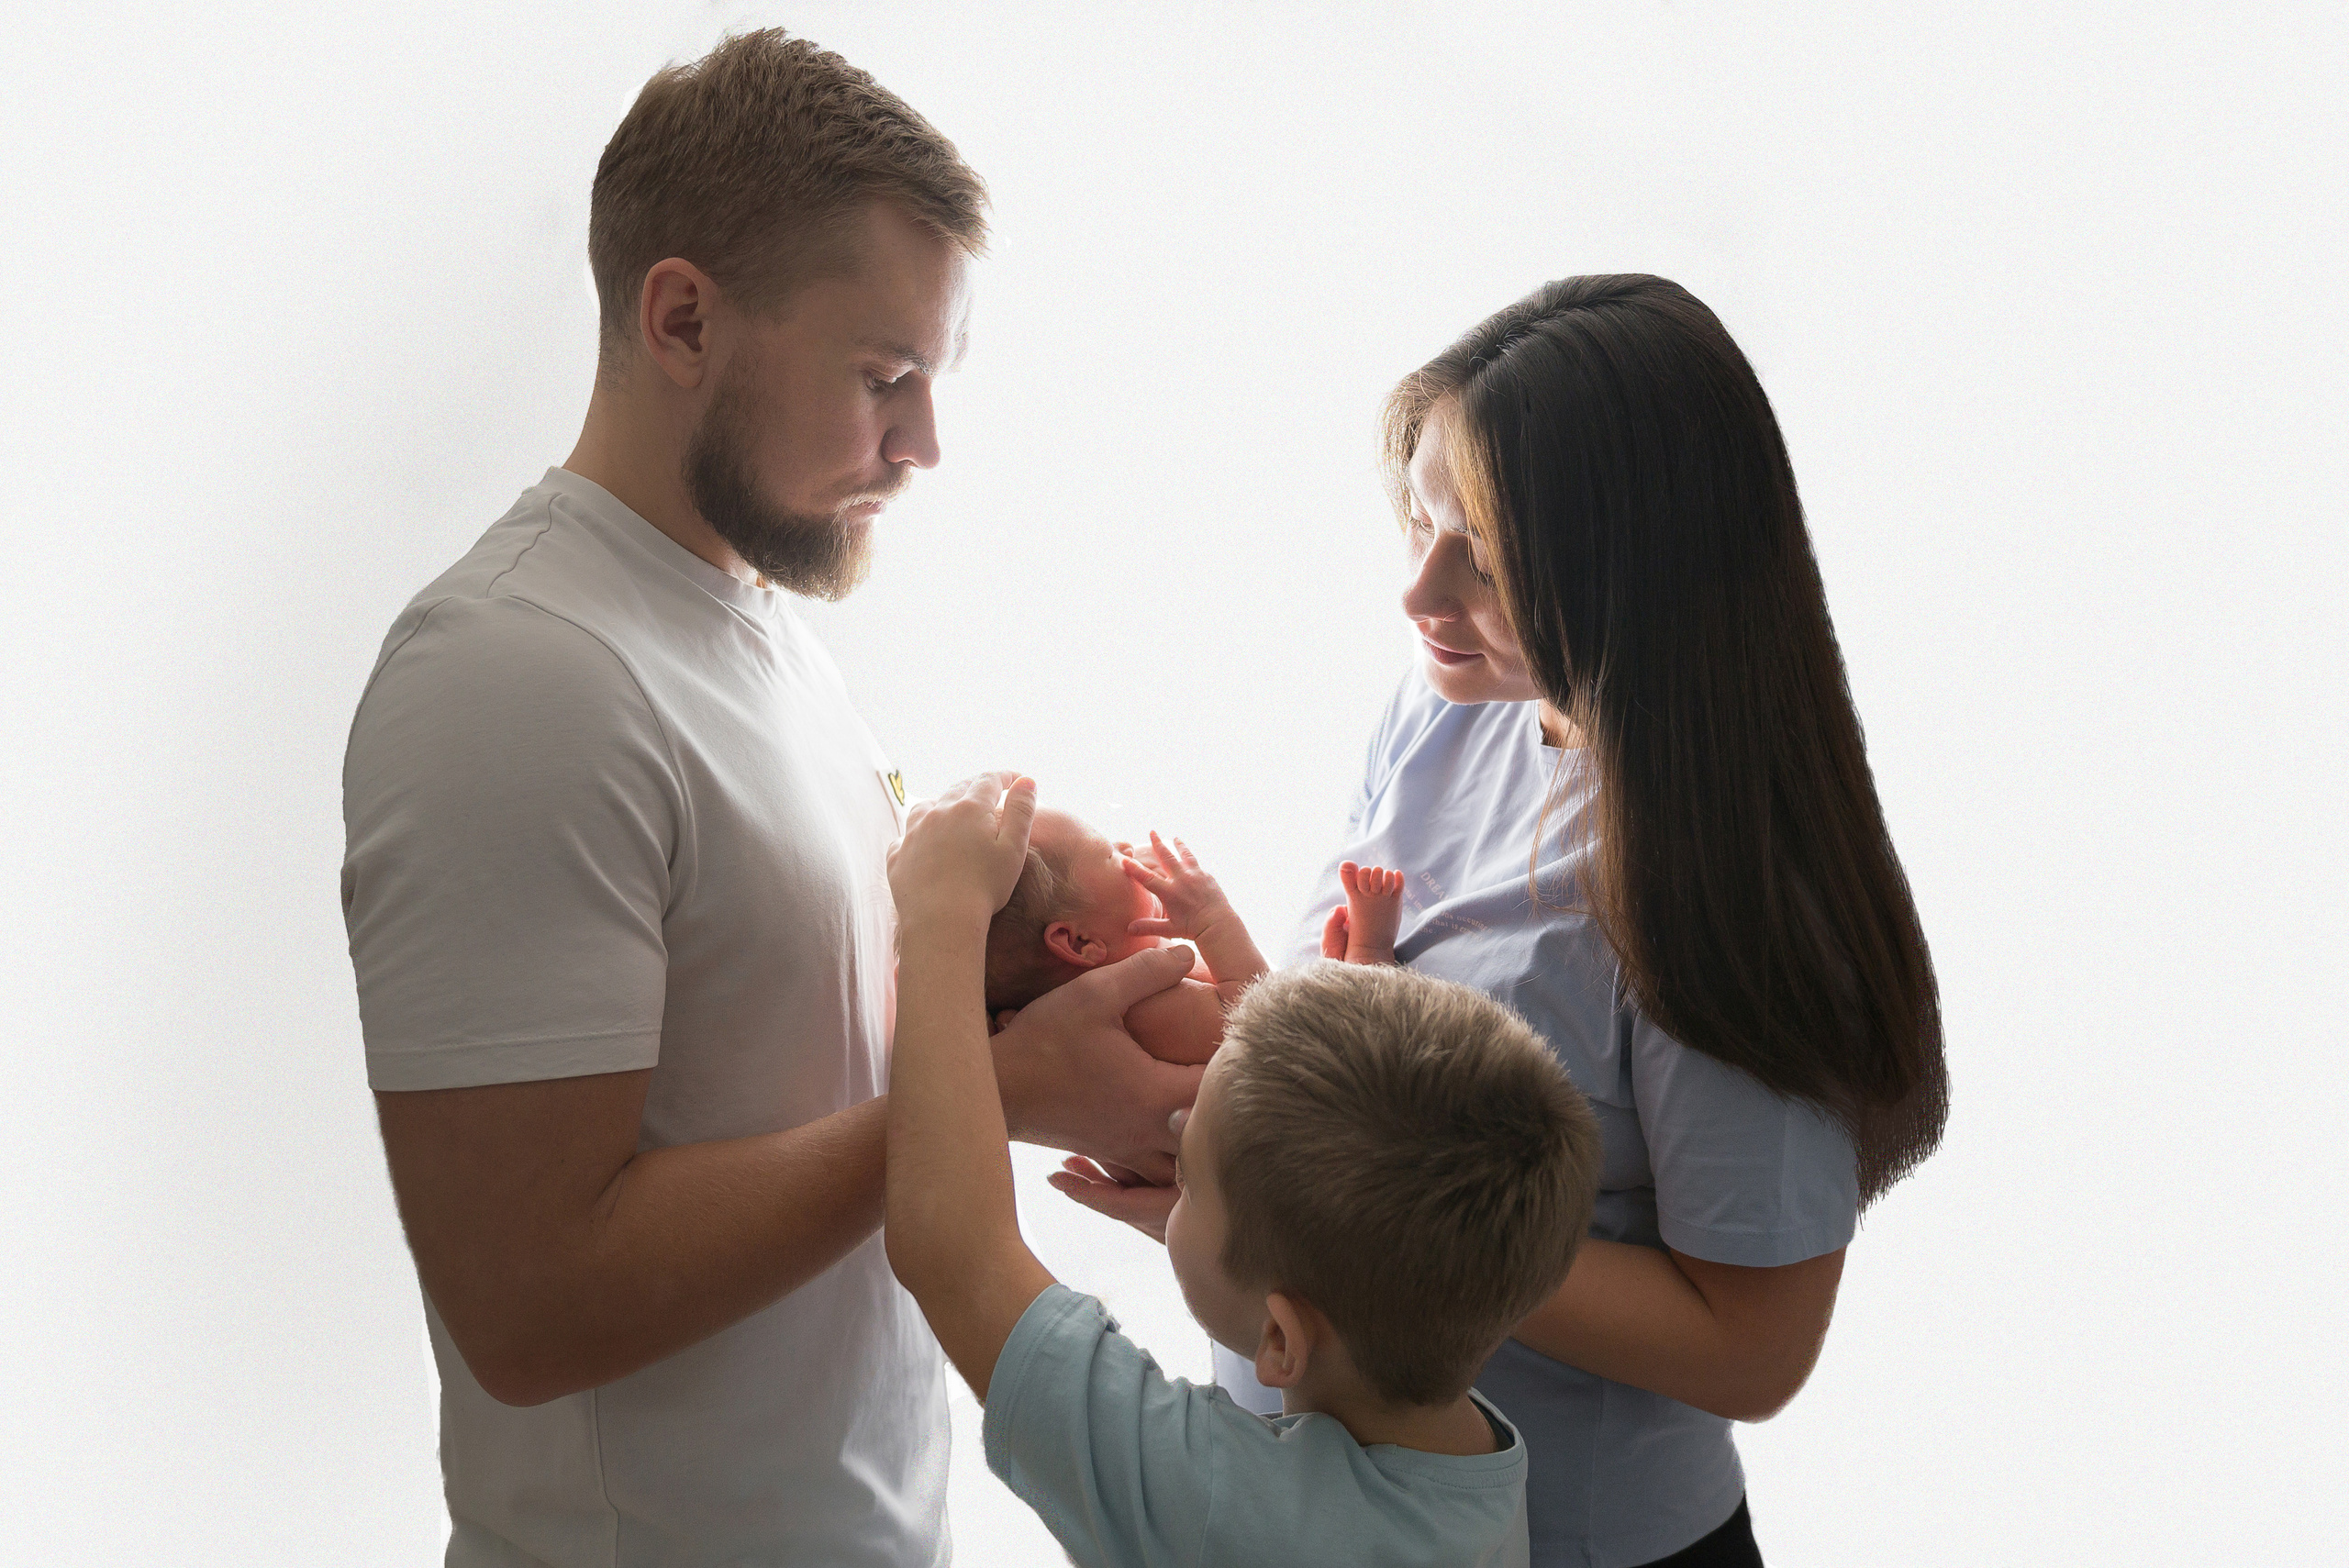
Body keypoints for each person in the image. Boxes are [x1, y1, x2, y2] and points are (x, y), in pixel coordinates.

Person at [340, 31, 1200, 1566]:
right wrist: (992, 1098)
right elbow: (532, 1303)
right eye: (888, 375)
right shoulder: (519, 675)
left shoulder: (769, 640)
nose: (925, 444)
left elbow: (788, 1075)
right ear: (682, 319)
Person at [1059, 275, 1950, 1567]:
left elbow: (1751, 1349)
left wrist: (1359, 1240)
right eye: (1421, 521)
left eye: (1482, 551)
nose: (1420, 591)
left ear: (1635, 571)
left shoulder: (1732, 892)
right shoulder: (1447, 710)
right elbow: (1356, 1072)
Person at [884, 773, 1606, 1568]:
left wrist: (942, 915)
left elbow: (953, 1252)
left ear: (1279, 1336)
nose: (1174, 1150)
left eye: (1187, 1173)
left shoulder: (1223, 1508)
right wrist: (1246, 1226)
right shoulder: (1472, 1455)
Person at [983, 810, 1408, 1064]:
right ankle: (1369, 960)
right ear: (1078, 943)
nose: (1128, 848)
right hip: (1343, 1072)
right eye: (1111, 855)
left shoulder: (1093, 1008)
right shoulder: (1142, 1013)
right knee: (1364, 1037)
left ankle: (1337, 980)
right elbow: (1272, 1027)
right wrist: (1211, 919)